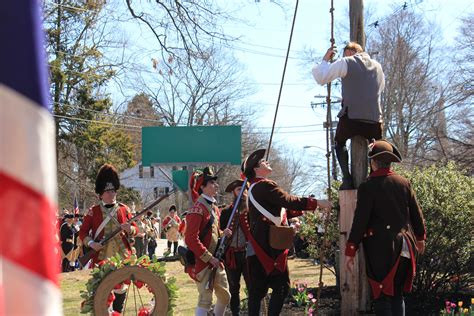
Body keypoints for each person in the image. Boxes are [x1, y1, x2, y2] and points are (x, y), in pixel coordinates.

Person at [241, 149, 332, 316]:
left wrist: (304, 210)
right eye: (263, 161)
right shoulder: (264, 185)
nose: (267, 162)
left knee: (257, 292)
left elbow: (281, 210)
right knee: (280, 288)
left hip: (261, 247)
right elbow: (288, 200)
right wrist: (317, 203)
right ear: (255, 168)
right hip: (267, 249)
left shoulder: (256, 188)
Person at [344, 140, 426, 315]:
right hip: (406, 244)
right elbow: (416, 214)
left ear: (373, 162)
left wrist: (351, 250)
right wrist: (420, 238)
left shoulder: (368, 187)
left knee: (381, 295)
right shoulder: (404, 182)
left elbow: (360, 222)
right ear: (389, 162)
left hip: (382, 248)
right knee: (397, 294)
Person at [312, 42, 385, 190]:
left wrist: (325, 60)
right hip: (374, 119)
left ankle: (347, 178)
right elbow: (380, 88)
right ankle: (374, 176)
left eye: (346, 54)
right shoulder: (378, 66)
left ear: (351, 52)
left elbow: (321, 77)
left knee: (339, 142)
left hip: (352, 118)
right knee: (376, 146)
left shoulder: (347, 62)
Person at [79, 163, 137, 314]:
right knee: (102, 291)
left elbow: (136, 228)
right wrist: (91, 243)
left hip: (122, 256)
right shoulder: (94, 211)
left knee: (121, 289)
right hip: (101, 257)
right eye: (108, 191)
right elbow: (83, 233)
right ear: (101, 194)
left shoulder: (124, 209)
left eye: (113, 191)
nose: (112, 194)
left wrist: (130, 229)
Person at [185, 167, 231, 316]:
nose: (216, 185)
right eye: (211, 183)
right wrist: (209, 258)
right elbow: (191, 239)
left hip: (216, 260)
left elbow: (213, 233)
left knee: (225, 296)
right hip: (204, 262)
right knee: (205, 299)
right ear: (202, 187)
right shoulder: (197, 209)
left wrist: (224, 233)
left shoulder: (214, 208)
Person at [219, 179, 250, 316]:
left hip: (248, 254)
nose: (242, 192)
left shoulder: (252, 210)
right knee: (233, 287)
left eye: (244, 190)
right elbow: (219, 231)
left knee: (253, 286)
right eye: (239, 190)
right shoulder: (226, 212)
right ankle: (235, 313)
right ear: (234, 192)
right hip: (231, 255)